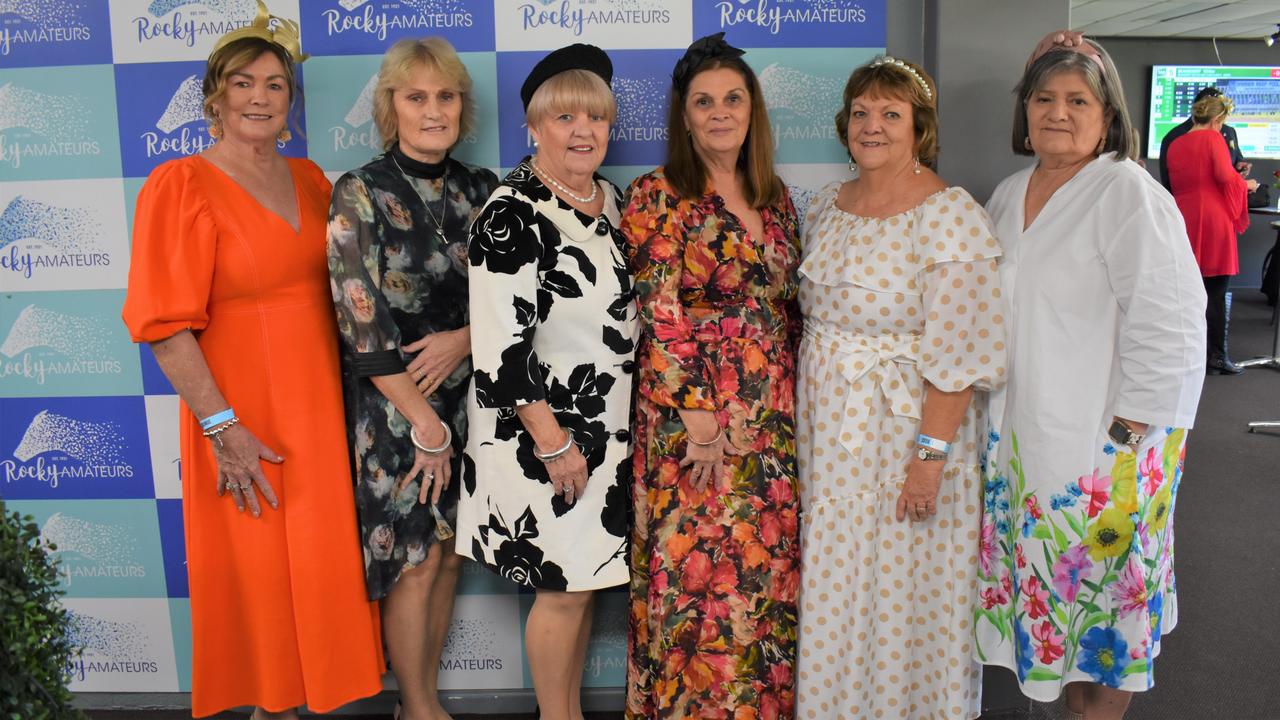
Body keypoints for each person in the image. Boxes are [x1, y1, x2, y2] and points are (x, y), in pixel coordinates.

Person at [121, 5, 383, 718]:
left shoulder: (310, 181)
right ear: (215, 99)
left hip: (320, 411)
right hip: (241, 413)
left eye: (275, 84)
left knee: (320, 568)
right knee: (262, 572)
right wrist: (222, 428)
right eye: (244, 83)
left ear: (291, 103)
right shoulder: (180, 186)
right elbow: (166, 329)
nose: (261, 97)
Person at [974, 38, 1207, 720]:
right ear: (1024, 112)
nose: (1057, 113)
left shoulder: (1128, 192)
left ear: (1109, 116)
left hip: (1109, 451)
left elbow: (1172, 324)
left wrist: (1128, 432)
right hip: (1028, 443)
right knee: (1060, 612)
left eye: (1078, 100)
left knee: (1107, 616)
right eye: (1043, 99)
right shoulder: (1010, 192)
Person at [793, 55, 1007, 719]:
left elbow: (960, 350)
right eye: (861, 113)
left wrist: (929, 459)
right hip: (830, 434)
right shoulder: (828, 205)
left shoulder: (949, 216)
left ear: (920, 127)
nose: (872, 125)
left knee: (902, 580)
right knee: (839, 580)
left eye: (890, 113)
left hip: (906, 437)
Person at [622, 32, 801, 719]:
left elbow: (787, 311)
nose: (720, 112)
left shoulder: (775, 196)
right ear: (685, 115)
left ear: (752, 108)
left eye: (732, 98)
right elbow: (659, 312)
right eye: (704, 102)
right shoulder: (658, 195)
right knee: (697, 595)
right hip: (695, 427)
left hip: (770, 428)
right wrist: (698, 416)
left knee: (760, 587)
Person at [456, 43, 637, 720]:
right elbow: (502, 349)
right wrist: (555, 443)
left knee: (581, 584)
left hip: (604, 432)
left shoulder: (609, 200)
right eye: (564, 117)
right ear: (534, 127)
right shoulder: (513, 210)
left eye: (595, 117)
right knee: (561, 590)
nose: (582, 130)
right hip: (546, 436)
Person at [326, 37, 498, 720]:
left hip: (471, 402)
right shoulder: (358, 190)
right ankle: (421, 707)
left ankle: (419, 704)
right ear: (389, 108)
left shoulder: (485, 189)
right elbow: (358, 321)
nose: (434, 111)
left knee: (452, 556)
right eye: (417, 97)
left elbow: (519, 302)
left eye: (446, 96)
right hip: (396, 408)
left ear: (463, 106)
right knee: (415, 561)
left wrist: (465, 340)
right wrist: (422, 423)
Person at [1166, 92, 1260, 375]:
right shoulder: (1213, 139)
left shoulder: (1175, 142)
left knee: (1184, 289)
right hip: (1212, 220)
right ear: (1217, 119)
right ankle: (1216, 356)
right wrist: (1247, 185)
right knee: (1216, 291)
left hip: (1183, 217)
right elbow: (1222, 176)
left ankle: (1182, 353)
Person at [1159, 86, 1251, 191]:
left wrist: (1240, 166)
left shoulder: (1229, 132)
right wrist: (1247, 185)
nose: (1221, 126)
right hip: (1202, 198)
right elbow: (1168, 180)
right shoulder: (1175, 137)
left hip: (1219, 198)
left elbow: (1236, 160)